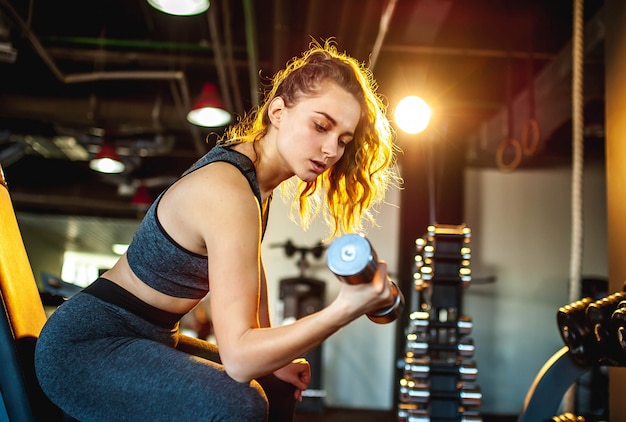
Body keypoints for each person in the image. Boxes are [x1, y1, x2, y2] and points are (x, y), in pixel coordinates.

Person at [34, 39, 400, 421]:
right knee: (239, 403)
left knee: (275, 385)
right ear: (277, 111)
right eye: (321, 126)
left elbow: (251, 287)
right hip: (88, 345)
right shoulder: (230, 191)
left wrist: (277, 361)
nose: (331, 150)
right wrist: (345, 308)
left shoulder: (257, 184)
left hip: (148, 336)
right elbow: (240, 358)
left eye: (343, 140)